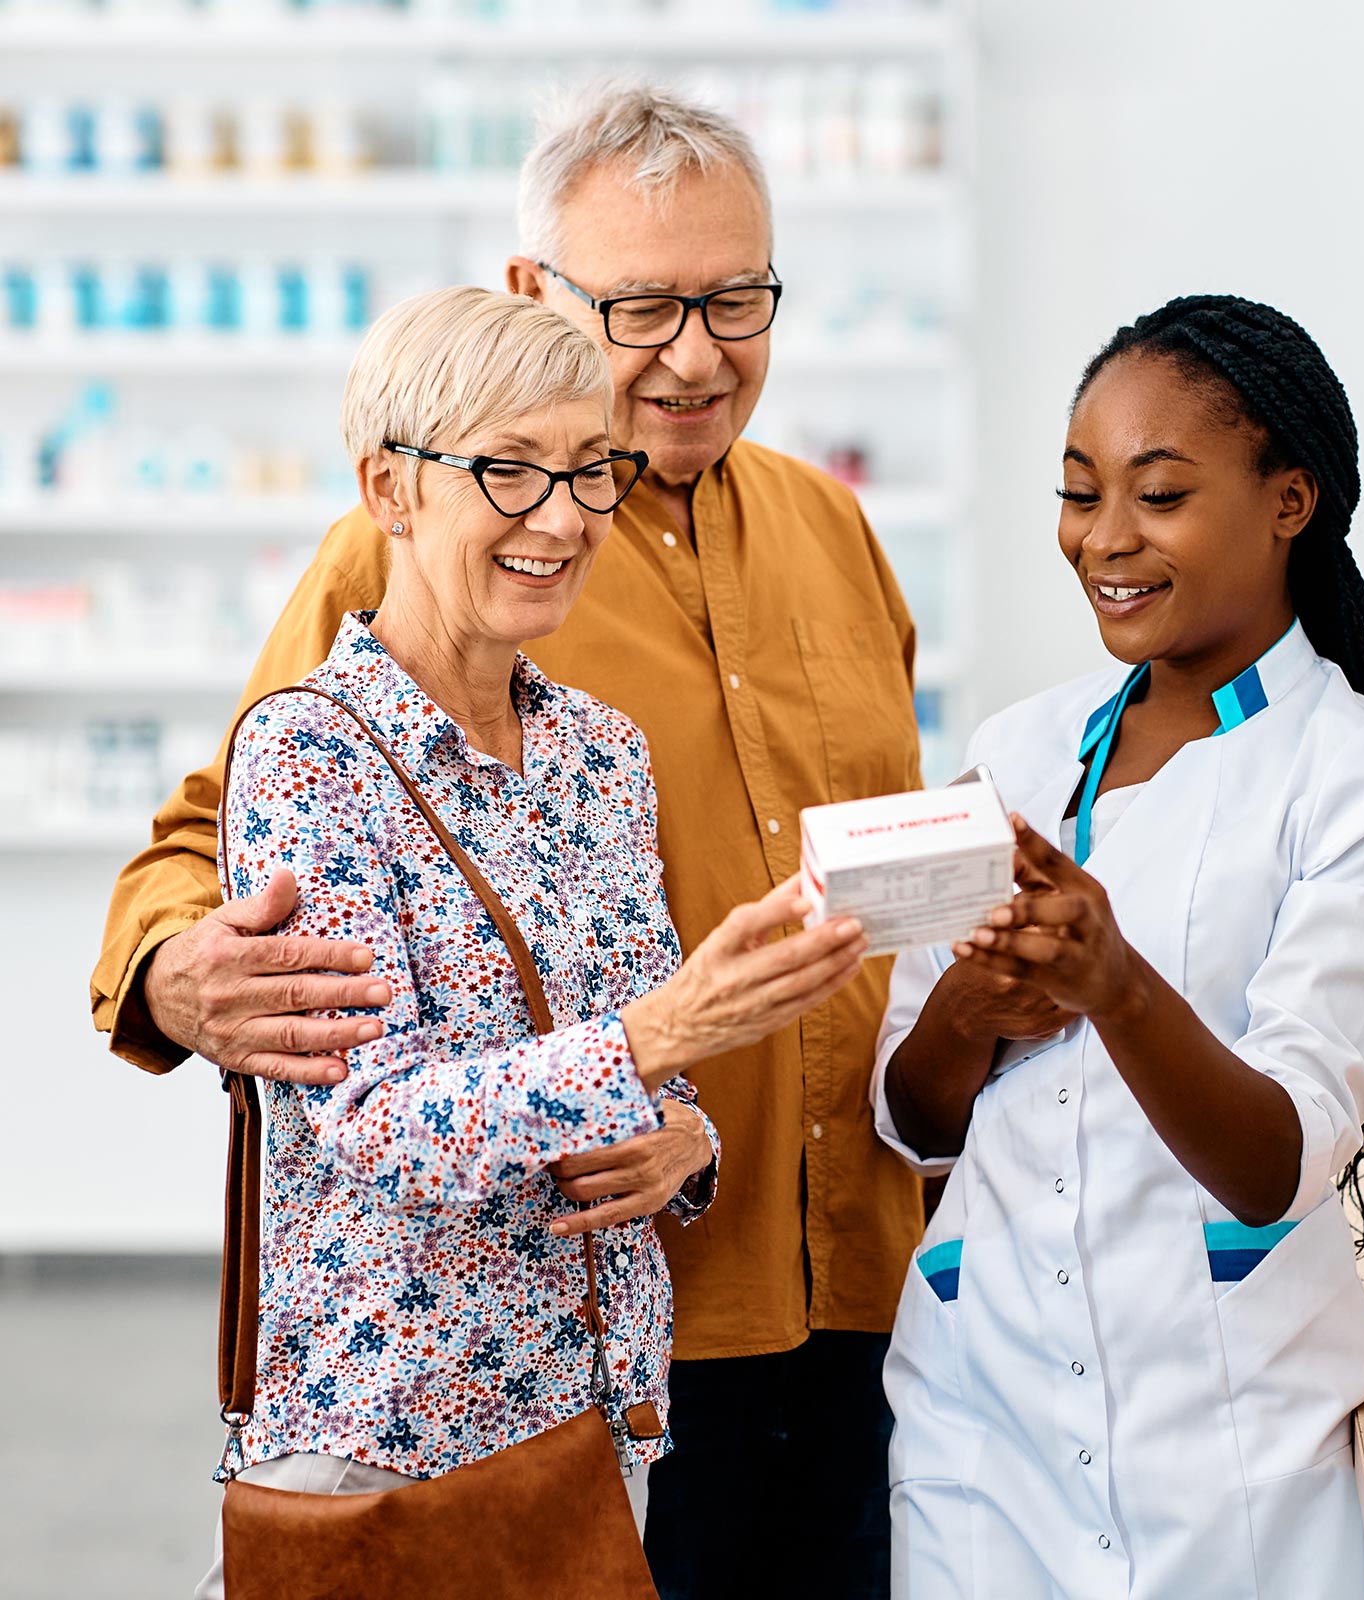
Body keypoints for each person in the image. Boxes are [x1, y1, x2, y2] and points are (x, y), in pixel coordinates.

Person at [93, 84, 924, 1597]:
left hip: (847, 1283)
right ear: (535, 291)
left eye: (735, 298)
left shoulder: (835, 531)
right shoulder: (416, 543)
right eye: (648, 303)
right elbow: (216, 831)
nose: (695, 351)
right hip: (535, 1342)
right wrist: (168, 976)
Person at [873, 295, 1364, 1600]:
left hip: (1228, 1449)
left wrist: (1114, 984)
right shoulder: (1018, 755)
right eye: (1080, 493)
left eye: (1159, 495)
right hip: (984, 1428)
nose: (1104, 540)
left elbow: (1278, 1162)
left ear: (1289, 501)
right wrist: (976, 1000)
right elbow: (917, 1121)